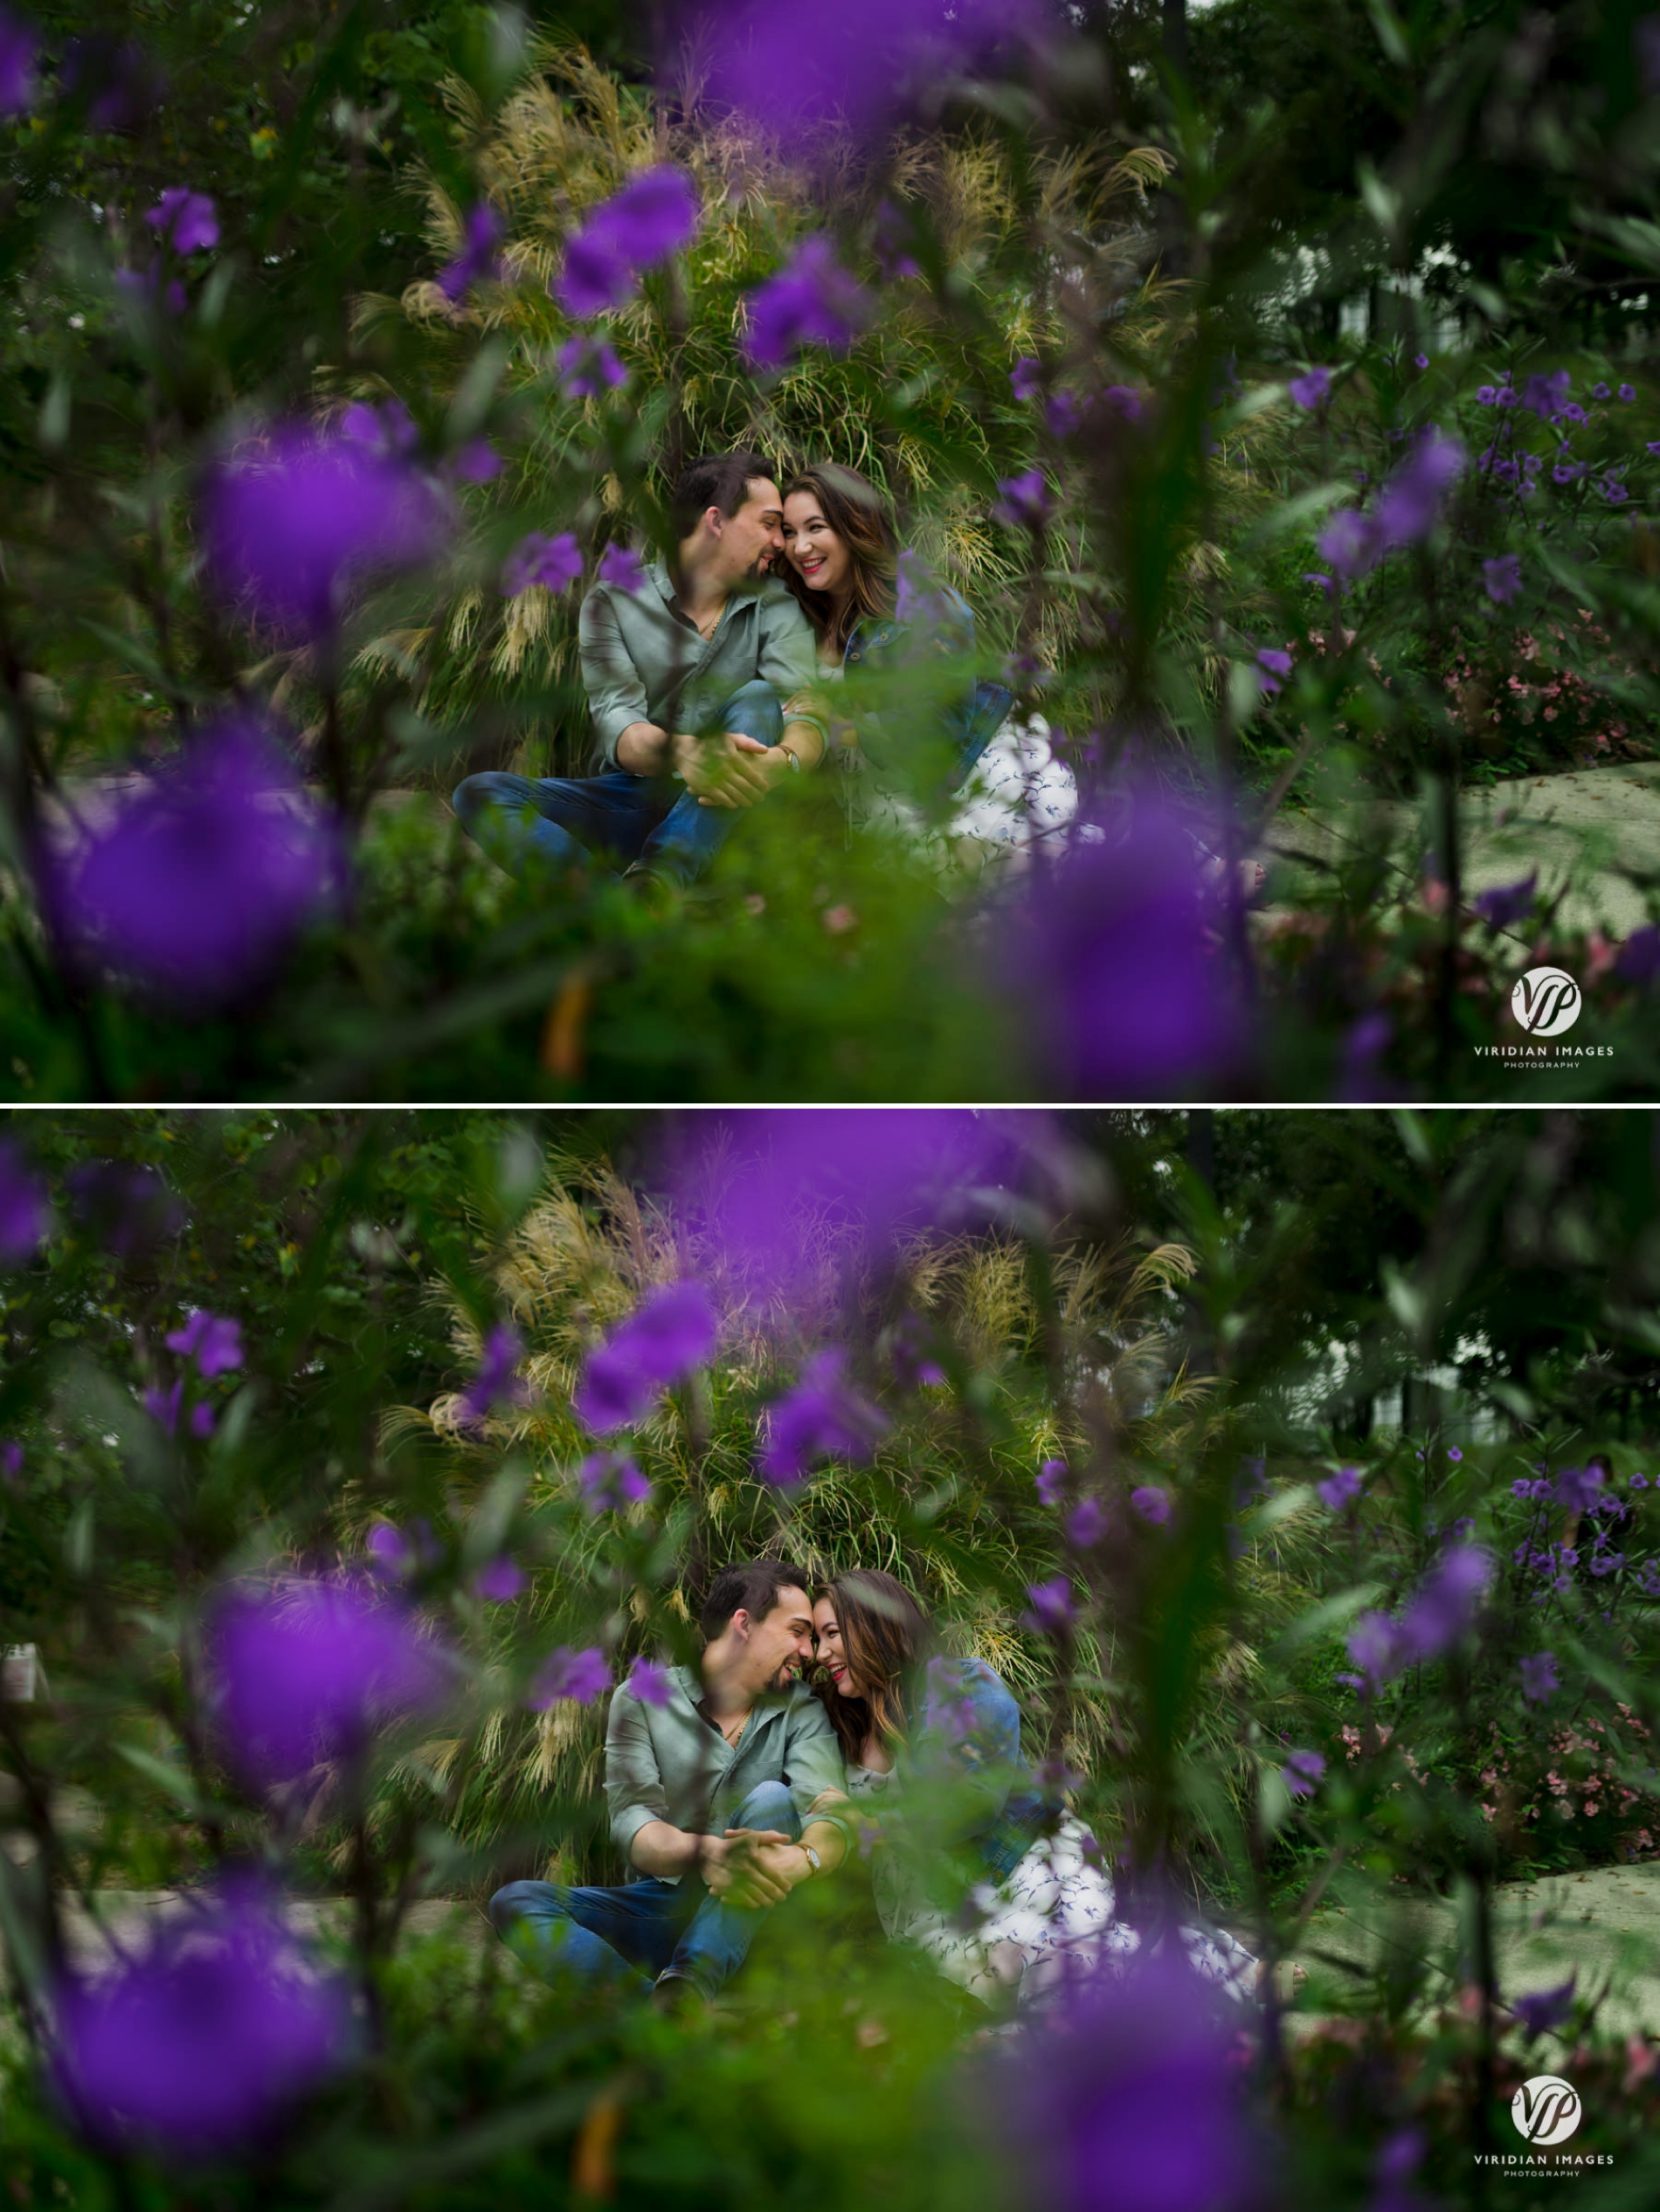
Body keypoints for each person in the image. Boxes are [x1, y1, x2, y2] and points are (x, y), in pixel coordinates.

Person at [810, 1569, 1257, 2010]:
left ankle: (1223, 1970)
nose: (820, 1652)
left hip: (1023, 1864)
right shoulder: (841, 1724)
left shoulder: (963, 1686)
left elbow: (969, 1805)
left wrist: (868, 1821)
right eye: (815, 1638)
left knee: (1067, 1969)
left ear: (874, 1622)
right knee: (1003, 1993)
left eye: (832, 1633)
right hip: (927, 1907)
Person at [453, 454, 831, 889]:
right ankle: (624, 907)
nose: (780, 543)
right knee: (480, 794)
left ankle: (659, 879)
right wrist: (685, 754)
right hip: (635, 799)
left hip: (737, 807)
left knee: (759, 698)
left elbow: (804, 711)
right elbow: (620, 723)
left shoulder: (776, 604)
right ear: (716, 520)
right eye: (769, 523)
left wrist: (781, 765)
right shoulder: (613, 601)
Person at [489, 1560, 853, 2007]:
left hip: (762, 1917)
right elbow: (632, 1823)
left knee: (772, 1799)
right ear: (744, 1624)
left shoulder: (802, 1709)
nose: (809, 1651)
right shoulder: (641, 1698)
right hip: (663, 1908)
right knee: (518, 1902)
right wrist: (705, 1854)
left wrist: (802, 1858)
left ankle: (689, 1983)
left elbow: (830, 1811)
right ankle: (657, 2012)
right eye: (798, 1631)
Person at [778, 464, 1076, 859]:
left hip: (977, 773)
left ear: (854, 525)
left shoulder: (918, 597)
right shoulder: (791, 614)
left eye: (815, 528)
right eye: (789, 532)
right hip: (883, 801)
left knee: (1023, 885)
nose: (800, 547)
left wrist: (842, 722)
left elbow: (941, 725)